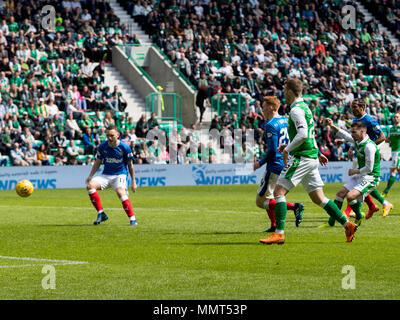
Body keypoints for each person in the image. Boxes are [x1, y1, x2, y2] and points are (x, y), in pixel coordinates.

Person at [259, 78, 357, 245]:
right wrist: (316, 152)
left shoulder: (296, 110)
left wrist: (288, 150)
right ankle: (347, 224)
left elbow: (304, 134)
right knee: (319, 198)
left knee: (278, 192)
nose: (283, 93)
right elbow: (309, 134)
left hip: (302, 158)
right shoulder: (306, 108)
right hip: (310, 157)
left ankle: (279, 233)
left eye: (284, 89)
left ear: (290, 91)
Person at [253, 96, 305, 232]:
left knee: (261, 201)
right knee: (271, 196)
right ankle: (274, 225)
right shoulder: (286, 120)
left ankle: (295, 206)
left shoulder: (270, 125)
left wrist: (259, 163)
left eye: (263, 106)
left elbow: (271, 150)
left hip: (275, 165)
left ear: (271, 107)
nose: (262, 109)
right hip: (286, 162)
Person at [324, 119, 382, 226]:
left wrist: (354, 171)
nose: (352, 134)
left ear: (363, 132)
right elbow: (345, 135)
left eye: (354, 132)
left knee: (350, 197)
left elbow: (369, 168)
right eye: (352, 132)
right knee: (340, 194)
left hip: (371, 177)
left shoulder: (369, 146)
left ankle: (358, 215)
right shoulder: (358, 140)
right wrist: (332, 125)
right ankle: (330, 223)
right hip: (361, 175)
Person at [85, 125, 138, 226]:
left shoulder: (125, 147)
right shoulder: (102, 146)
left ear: (118, 135)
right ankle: (101, 213)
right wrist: (90, 176)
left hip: (120, 175)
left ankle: (133, 220)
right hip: (106, 175)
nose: (109, 138)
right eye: (107, 135)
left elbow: (130, 166)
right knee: (90, 186)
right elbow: (98, 162)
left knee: (120, 192)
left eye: (112, 135)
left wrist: (133, 182)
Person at [383, 112, 400, 197]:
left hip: (398, 152)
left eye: (397, 117)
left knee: (393, 170)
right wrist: (384, 140)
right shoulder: (391, 128)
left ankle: (385, 191)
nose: (395, 118)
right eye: (394, 117)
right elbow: (388, 139)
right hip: (393, 152)